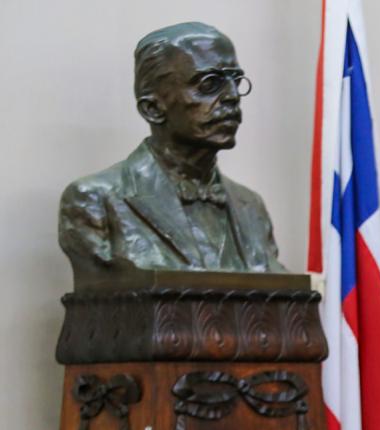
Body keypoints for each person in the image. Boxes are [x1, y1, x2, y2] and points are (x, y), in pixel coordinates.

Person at [58, 22, 286, 282]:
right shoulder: (95, 200)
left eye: (235, 81)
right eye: (209, 84)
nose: (233, 96)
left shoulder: (251, 206)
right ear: (153, 108)